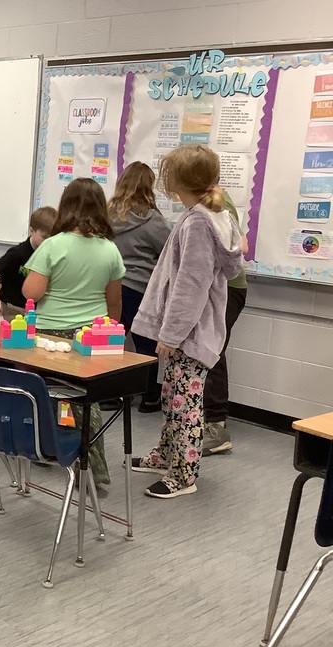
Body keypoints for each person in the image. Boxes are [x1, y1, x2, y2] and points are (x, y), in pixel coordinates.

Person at [130, 146, 243, 499]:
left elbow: (190, 285)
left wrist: (171, 334)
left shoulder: (198, 221)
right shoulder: (210, 214)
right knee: (173, 396)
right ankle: (167, 454)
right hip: (190, 330)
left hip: (189, 332)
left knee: (185, 404)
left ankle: (183, 474)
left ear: (177, 181)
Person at [22, 178, 125, 488]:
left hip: (50, 333)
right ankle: (94, 466)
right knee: (85, 400)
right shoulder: (109, 249)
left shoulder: (54, 244)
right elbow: (114, 301)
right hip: (91, 332)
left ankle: (50, 448)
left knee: (50, 392)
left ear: (66, 207)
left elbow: (32, 291)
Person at [108, 161, 172, 413]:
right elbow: (168, 250)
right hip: (139, 288)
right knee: (145, 342)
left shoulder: (107, 213)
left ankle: (109, 395)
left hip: (111, 285)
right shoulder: (152, 219)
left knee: (111, 341)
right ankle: (149, 397)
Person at [202, 191, 249, 457]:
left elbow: (241, 246)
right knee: (209, 350)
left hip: (228, 287)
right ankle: (208, 423)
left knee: (213, 351)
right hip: (218, 286)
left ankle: (217, 428)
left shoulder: (217, 199)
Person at [0, 207, 57, 321]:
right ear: (32, 231)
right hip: (14, 308)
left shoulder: (49, 252)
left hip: (35, 309)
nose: (48, 241)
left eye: (52, 237)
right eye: (44, 237)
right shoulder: (17, 253)